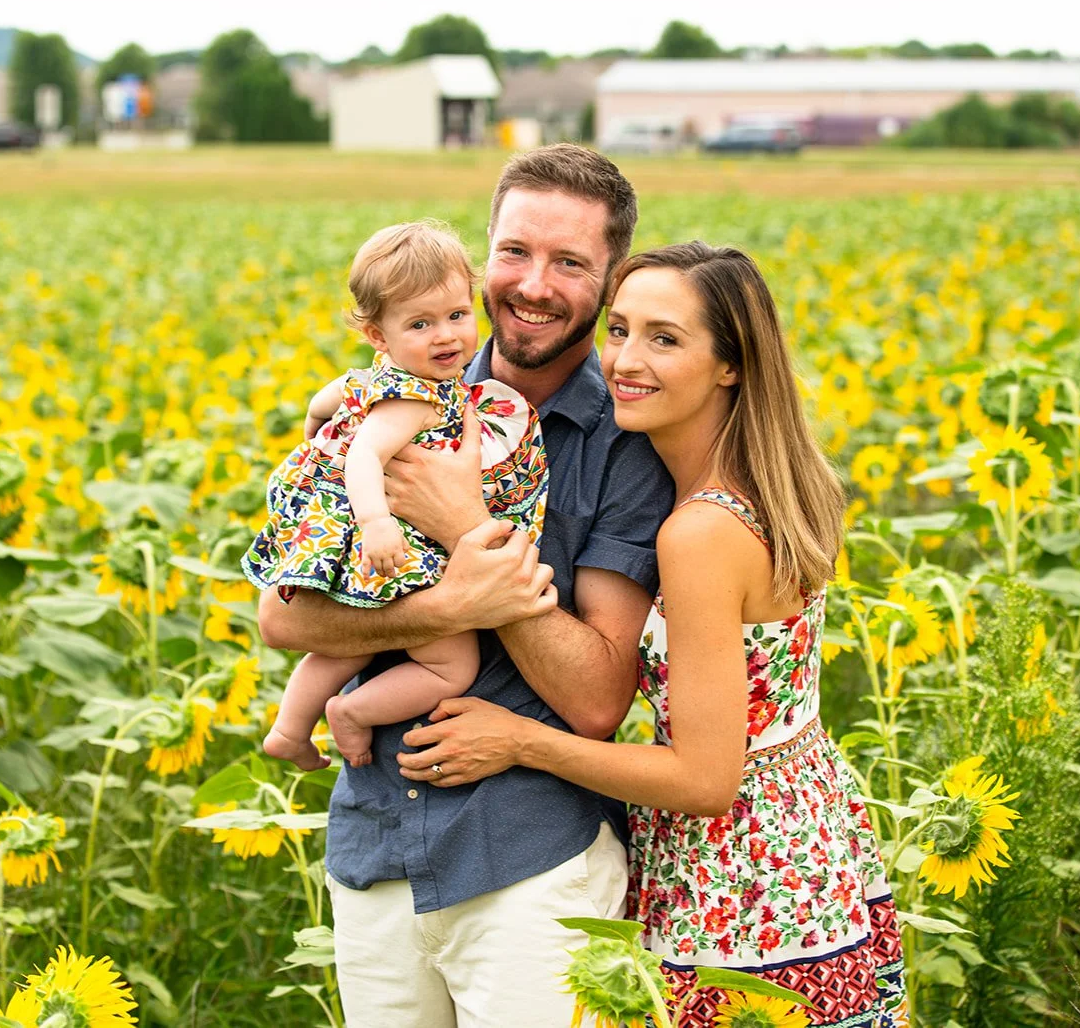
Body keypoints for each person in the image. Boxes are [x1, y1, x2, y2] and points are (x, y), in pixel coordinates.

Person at [399, 243, 911, 1027]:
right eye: (620, 330)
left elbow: (707, 778)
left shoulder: (699, 534)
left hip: (741, 883)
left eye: (664, 339)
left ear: (730, 365)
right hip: (809, 849)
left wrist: (519, 741)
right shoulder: (772, 483)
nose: (626, 361)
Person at [257, 144, 673, 1026]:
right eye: (515, 251)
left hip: (529, 856)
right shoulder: (393, 394)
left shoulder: (628, 444)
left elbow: (598, 696)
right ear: (484, 251)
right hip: (375, 846)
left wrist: (461, 525)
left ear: (609, 280)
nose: (533, 284)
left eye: (570, 263)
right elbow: (284, 619)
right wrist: (452, 606)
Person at [242, 220, 547, 770]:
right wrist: (378, 523)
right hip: (395, 545)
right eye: (421, 324)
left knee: (346, 643)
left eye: (457, 316)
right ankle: (354, 713)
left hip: (361, 543)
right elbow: (364, 456)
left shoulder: (376, 376)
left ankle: (289, 728)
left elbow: (324, 400)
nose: (446, 336)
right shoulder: (418, 397)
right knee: (450, 667)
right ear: (379, 336)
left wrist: (316, 431)